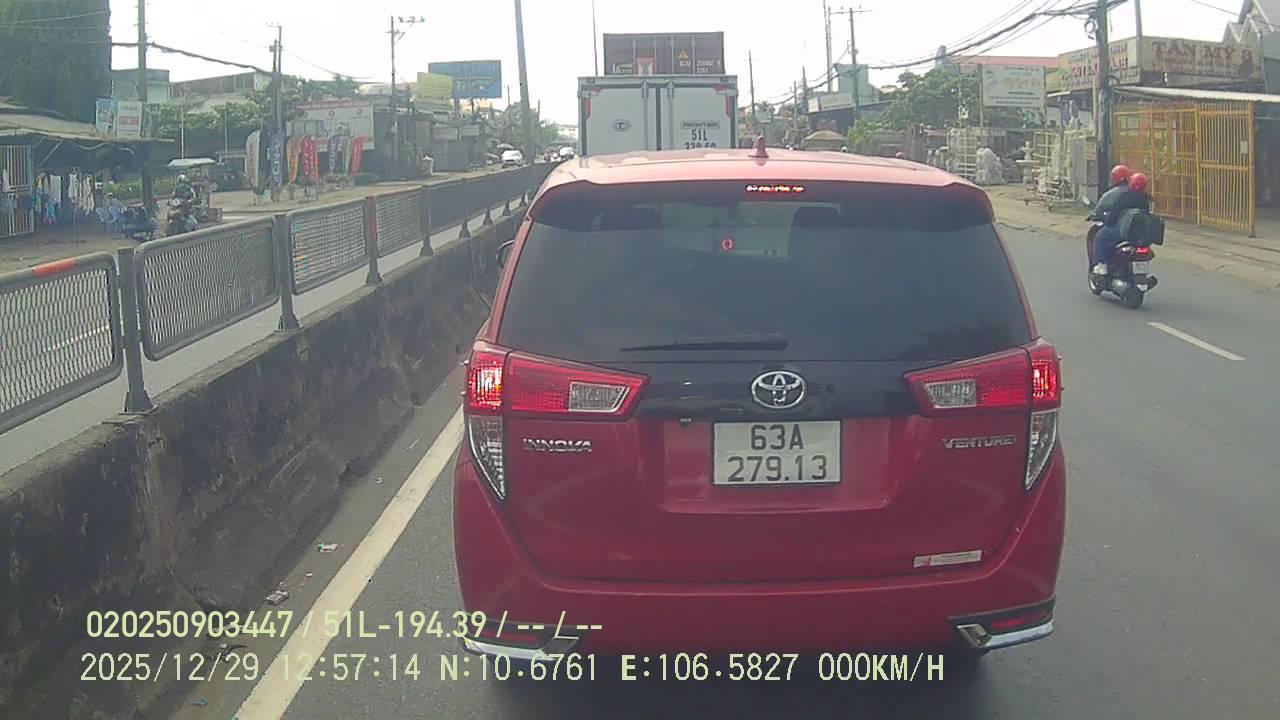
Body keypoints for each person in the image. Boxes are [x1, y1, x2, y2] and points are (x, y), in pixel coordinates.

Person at [1092, 170, 1151, 275]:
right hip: (1138, 234)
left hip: (1123, 232)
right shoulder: (1145, 199)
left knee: (1100, 237)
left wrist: (1108, 221)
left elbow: (1113, 214)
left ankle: (1102, 265)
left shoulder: (1125, 197)